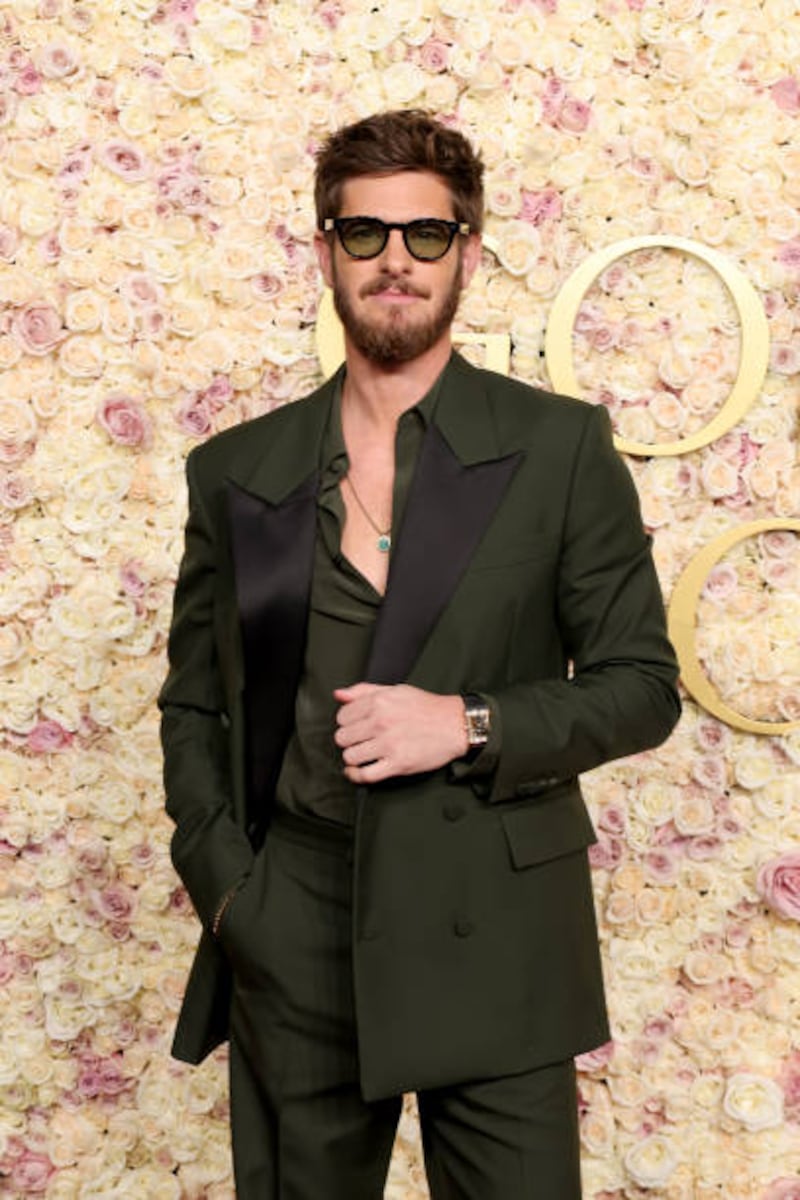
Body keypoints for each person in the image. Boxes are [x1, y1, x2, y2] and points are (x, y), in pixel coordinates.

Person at [159, 109, 681, 1199]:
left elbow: (641, 688)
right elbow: (195, 707)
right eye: (364, 234)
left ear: (468, 255)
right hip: (293, 927)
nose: (394, 260)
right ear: (323, 252)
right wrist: (227, 891)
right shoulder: (235, 469)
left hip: (491, 923)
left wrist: (469, 721)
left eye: (426, 236)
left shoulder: (557, 447)